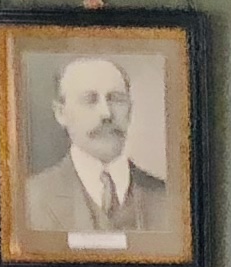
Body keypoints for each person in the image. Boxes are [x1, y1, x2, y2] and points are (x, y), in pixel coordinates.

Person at [19, 50, 180, 255]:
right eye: (90, 99)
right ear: (61, 113)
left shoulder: (169, 199)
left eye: (116, 99)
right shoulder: (31, 198)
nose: (106, 113)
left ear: (130, 110)